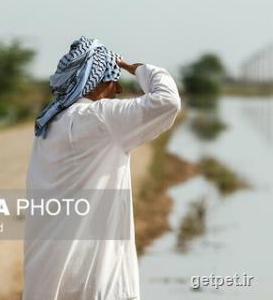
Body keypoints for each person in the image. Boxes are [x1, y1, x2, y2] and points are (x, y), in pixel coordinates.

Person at [23, 37, 181, 300]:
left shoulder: (49, 127)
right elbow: (167, 102)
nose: (117, 88)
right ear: (96, 84)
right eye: (113, 79)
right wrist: (136, 68)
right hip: (93, 280)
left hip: (45, 278)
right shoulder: (98, 119)